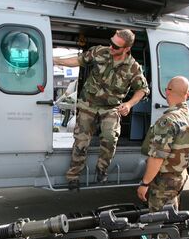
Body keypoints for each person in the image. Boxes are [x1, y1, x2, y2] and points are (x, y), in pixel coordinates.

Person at [53, 29, 150, 190]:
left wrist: (129, 104)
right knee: (81, 141)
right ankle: (73, 176)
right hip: (88, 105)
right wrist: (54, 60)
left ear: (126, 49)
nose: (111, 47)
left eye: (115, 46)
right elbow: (78, 60)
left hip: (111, 108)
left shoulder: (133, 67)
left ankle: (102, 169)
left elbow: (142, 89)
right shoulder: (100, 52)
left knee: (110, 138)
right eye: (111, 42)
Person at [136, 76, 189, 211]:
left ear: (167, 92)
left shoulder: (168, 121)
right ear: (186, 94)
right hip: (180, 176)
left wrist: (145, 183)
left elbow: (157, 157)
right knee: (172, 215)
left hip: (164, 182)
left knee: (159, 223)